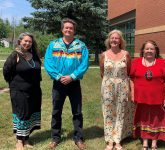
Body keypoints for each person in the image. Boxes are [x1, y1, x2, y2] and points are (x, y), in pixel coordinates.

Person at [44, 18, 89, 150]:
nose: (68, 30)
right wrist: (59, 76)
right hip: (58, 83)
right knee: (56, 111)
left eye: (71, 28)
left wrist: (72, 76)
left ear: (74, 31)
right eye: (66, 27)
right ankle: (55, 137)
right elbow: (48, 63)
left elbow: (84, 64)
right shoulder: (54, 45)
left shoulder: (81, 46)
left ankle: (78, 138)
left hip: (74, 83)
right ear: (62, 29)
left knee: (77, 111)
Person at [130, 40, 165, 150]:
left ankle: (154, 143)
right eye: (147, 48)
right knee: (143, 119)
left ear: (156, 51)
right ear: (143, 50)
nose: (149, 51)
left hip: (158, 99)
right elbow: (132, 79)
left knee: (156, 120)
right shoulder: (136, 62)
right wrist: (133, 93)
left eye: (152, 49)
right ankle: (144, 142)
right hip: (141, 98)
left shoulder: (163, 63)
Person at [3, 32, 42, 150]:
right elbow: (6, 71)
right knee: (22, 114)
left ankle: (27, 139)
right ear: (20, 41)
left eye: (30, 41)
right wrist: (14, 85)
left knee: (30, 113)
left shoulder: (34, 54)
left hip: (34, 90)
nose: (27, 43)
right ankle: (19, 141)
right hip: (19, 91)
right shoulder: (15, 55)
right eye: (25, 41)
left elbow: (37, 70)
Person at [100, 29, 134, 150]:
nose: (114, 40)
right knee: (108, 112)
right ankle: (109, 140)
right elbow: (102, 72)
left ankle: (117, 139)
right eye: (112, 38)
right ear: (109, 40)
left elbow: (129, 72)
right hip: (107, 86)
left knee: (121, 112)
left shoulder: (126, 54)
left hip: (123, 86)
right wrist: (109, 82)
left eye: (117, 38)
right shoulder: (103, 55)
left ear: (120, 41)